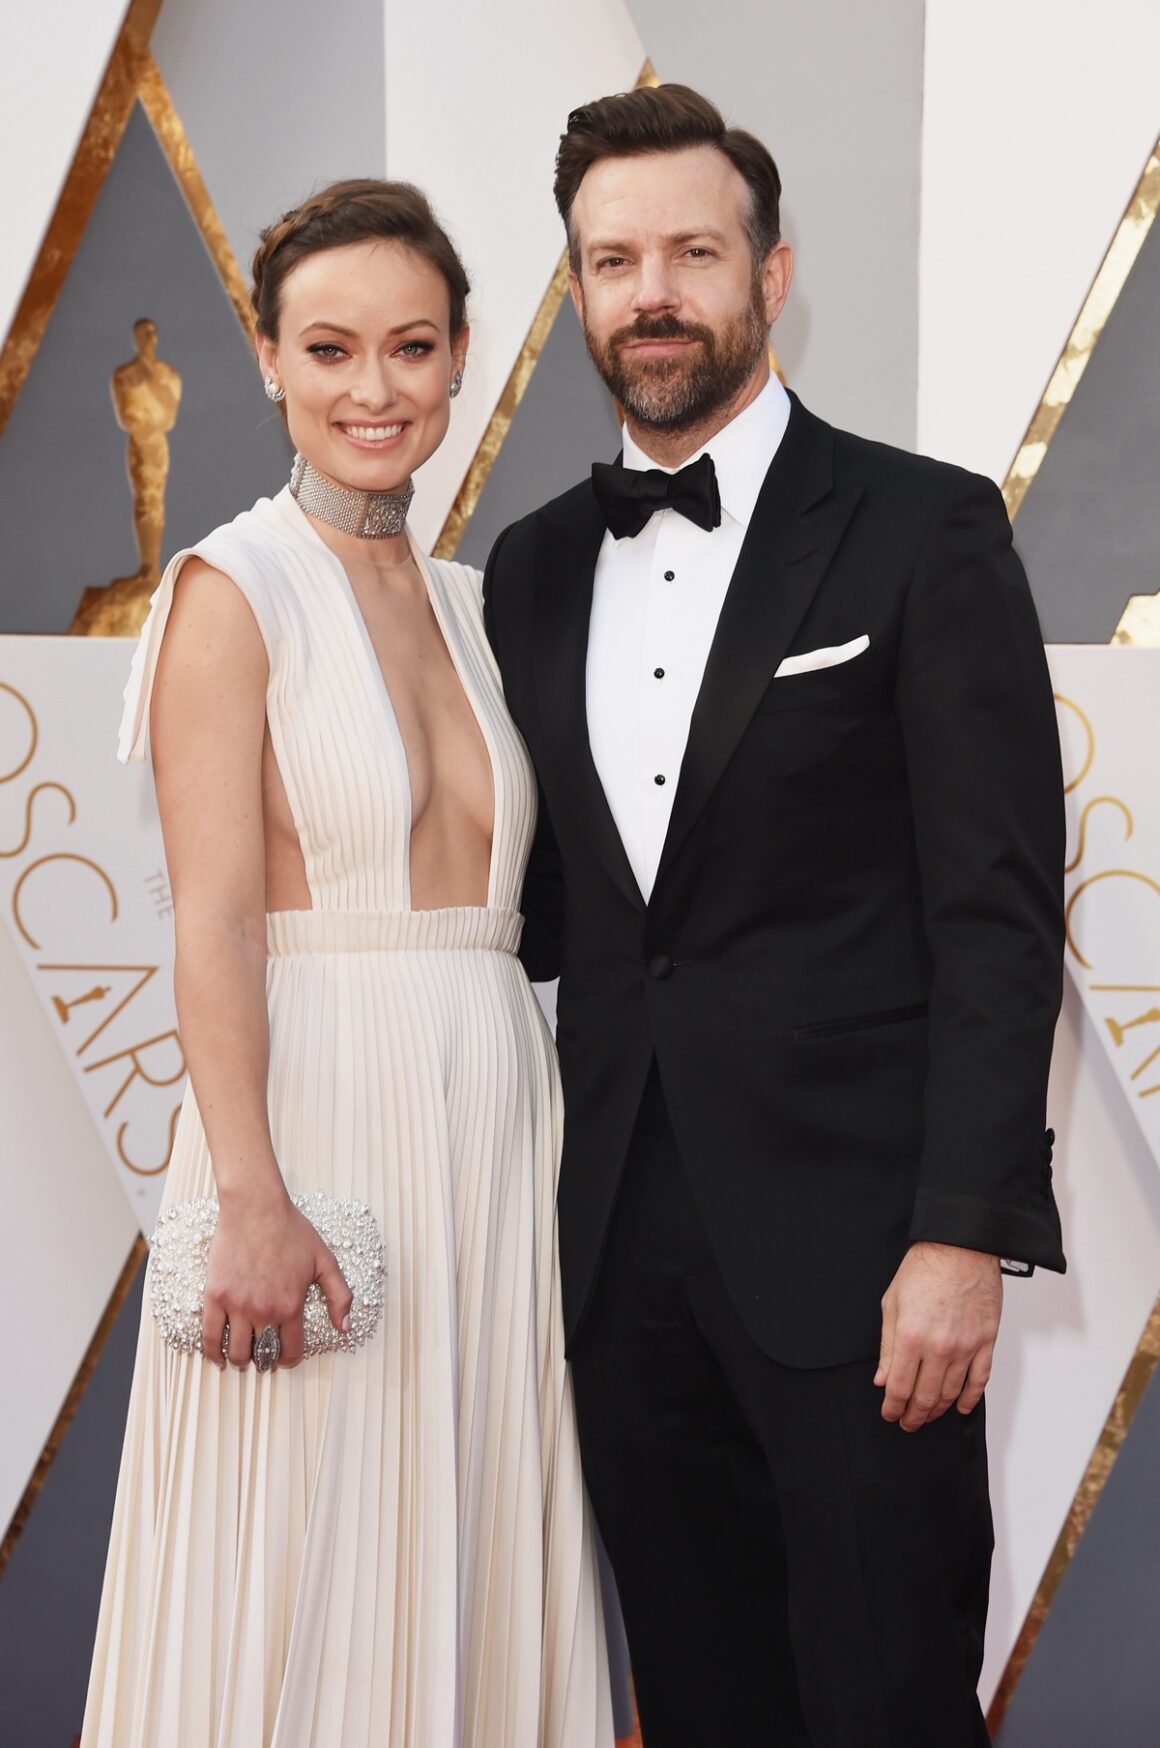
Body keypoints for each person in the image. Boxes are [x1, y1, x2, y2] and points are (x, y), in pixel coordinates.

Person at [483, 86, 1066, 1748]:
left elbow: (998, 910)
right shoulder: (527, 569)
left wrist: (964, 1233)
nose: (651, 290)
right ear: (580, 291)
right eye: (613, 259)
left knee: (886, 1705)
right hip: (613, 1267)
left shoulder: (921, 526)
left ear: (773, 272)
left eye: (691, 250)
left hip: (868, 1265)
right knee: (703, 1703)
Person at [82, 179, 612, 1748]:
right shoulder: (229, 594)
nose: (371, 391)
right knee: (304, 1547)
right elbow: (216, 923)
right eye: (329, 350)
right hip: (315, 1129)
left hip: (496, 1118)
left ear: (460, 362)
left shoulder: (476, 602)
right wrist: (247, 1194)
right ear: (265, 359)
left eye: (409, 348)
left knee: (477, 1524)